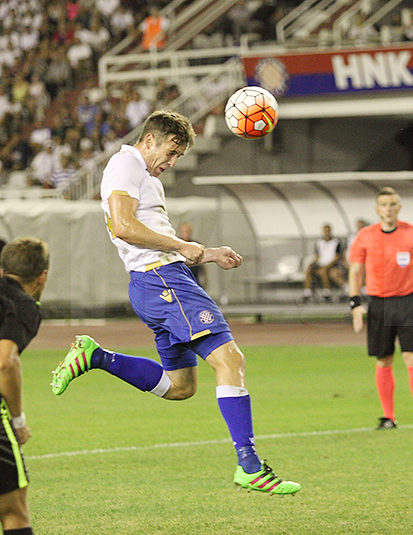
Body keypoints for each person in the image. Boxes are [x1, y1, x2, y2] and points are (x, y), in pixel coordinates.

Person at [50, 110, 300, 495]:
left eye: (179, 156)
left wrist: (207, 252)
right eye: (171, 151)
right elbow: (123, 226)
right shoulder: (125, 165)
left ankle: (96, 356)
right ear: (149, 140)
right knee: (231, 360)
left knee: (180, 387)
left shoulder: (144, 176)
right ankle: (249, 466)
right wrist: (183, 247)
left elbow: (154, 233)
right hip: (161, 278)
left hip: (157, 279)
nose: (172, 162)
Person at [348, 187, 413, 431]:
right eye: (384, 205)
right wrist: (355, 304)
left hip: (406, 301)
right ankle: (389, 417)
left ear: (399, 207)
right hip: (378, 304)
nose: (388, 209)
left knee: (412, 357)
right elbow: (355, 271)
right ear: (377, 209)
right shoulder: (365, 236)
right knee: (383, 360)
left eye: (393, 204)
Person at [0, 237, 49, 535]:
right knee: (13, 511)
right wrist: (18, 421)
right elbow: (5, 362)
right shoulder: (22, 304)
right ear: (42, 275)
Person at [302, 223, 345, 303]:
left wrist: (328, 265)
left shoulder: (336, 242)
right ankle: (307, 293)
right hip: (321, 264)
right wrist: (313, 263)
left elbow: (337, 256)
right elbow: (318, 256)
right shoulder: (319, 242)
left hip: (331, 265)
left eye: (328, 231)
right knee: (308, 270)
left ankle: (327, 293)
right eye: (325, 231)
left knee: (323, 271)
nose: (326, 233)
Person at [177, 222, 206, 288]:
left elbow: (202, 262)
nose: (186, 233)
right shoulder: (175, 245)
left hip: (193, 278)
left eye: (187, 231)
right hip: (180, 278)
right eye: (184, 231)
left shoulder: (195, 245)